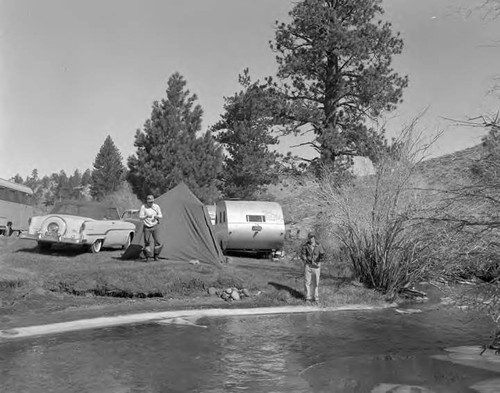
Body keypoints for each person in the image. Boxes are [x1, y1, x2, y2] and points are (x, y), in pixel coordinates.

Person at [300, 232, 325, 303]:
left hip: (316, 266)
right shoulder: (305, 246)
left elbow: (322, 254)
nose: (311, 239)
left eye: (312, 237)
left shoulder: (319, 245)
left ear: (314, 238)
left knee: (316, 282)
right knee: (307, 282)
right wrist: (305, 259)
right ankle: (308, 298)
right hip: (308, 265)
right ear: (308, 238)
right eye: (310, 237)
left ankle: (316, 298)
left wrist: (320, 259)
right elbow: (303, 254)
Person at [139, 194, 163, 261]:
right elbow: (140, 217)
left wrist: (156, 217)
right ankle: (147, 257)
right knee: (147, 242)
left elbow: (161, 215)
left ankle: (156, 256)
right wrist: (146, 216)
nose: (151, 203)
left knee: (157, 241)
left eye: (152, 202)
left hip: (155, 225)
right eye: (150, 202)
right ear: (147, 201)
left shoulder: (156, 206)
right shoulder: (143, 207)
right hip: (147, 226)